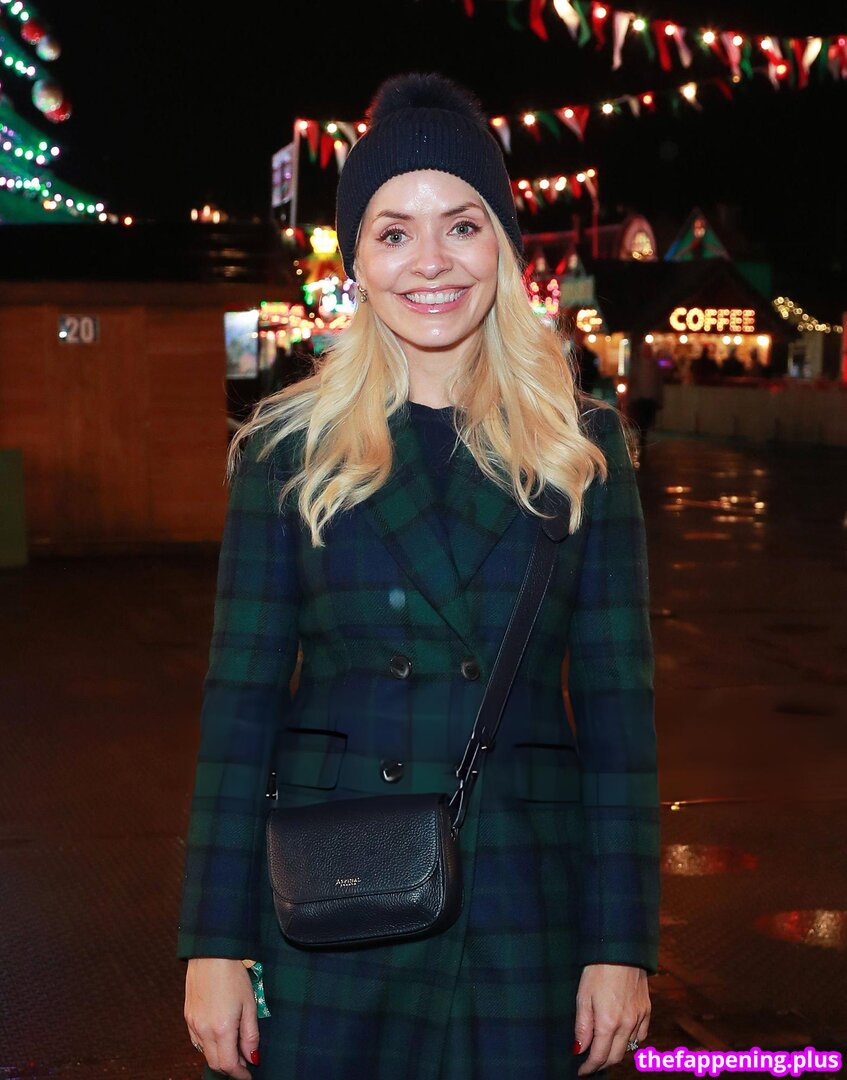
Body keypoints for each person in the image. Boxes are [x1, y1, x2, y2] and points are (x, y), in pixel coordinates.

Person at [178, 72, 659, 1080]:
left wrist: (620, 942)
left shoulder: (581, 449)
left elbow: (619, 720)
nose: (430, 261)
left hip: (519, 897)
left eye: (462, 226)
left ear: (503, 247)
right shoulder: (287, 450)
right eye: (394, 231)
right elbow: (238, 711)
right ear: (356, 257)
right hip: (334, 893)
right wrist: (213, 941)